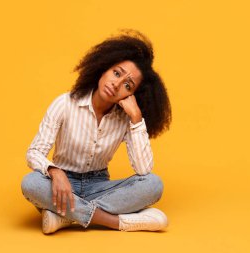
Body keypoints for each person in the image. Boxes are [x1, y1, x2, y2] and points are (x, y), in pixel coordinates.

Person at [21, 29, 172, 234]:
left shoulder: (126, 118)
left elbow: (144, 171)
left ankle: (66, 217)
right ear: (103, 67)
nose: (116, 84)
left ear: (133, 95)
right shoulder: (65, 103)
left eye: (128, 85)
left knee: (154, 185)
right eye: (116, 73)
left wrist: (136, 118)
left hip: (99, 185)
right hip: (63, 183)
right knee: (31, 183)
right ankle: (116, 222)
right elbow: (34, 153)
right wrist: (55, 172)